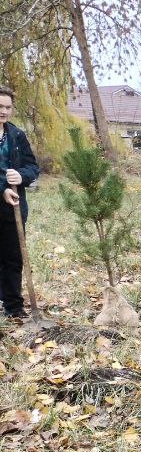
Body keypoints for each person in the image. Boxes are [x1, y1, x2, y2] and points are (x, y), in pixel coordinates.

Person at [0, 86, 40, 322]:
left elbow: (33, 167)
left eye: (8, 107)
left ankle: (13, 307)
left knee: (13, 257)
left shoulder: (16, 135)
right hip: (3, 196)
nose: (3, 111)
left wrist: (21, 176)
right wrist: (2, 188)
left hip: (13, 207)